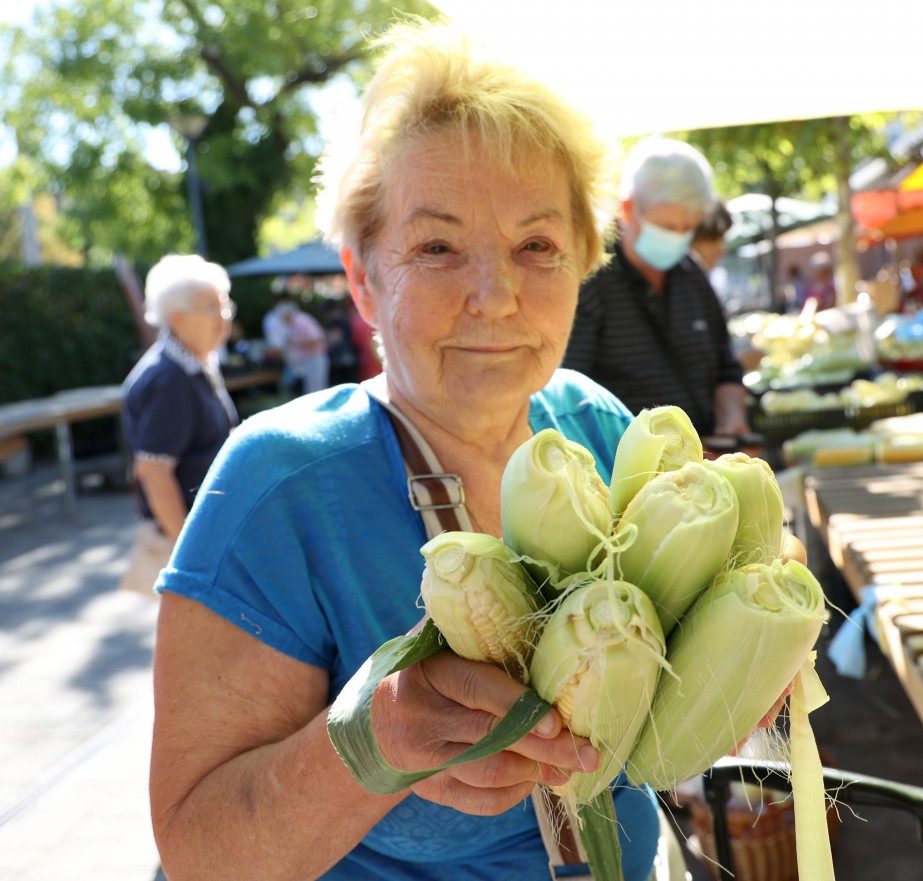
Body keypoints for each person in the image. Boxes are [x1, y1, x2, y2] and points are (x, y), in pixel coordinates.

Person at [147, 23, 794, 881]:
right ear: (363, 277)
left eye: (536, 246)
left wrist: (748, 650)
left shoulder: (598, 429)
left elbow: (672, 718)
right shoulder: (279, 486)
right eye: (438, 247)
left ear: (583, 263)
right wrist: (373, 742)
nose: (495, 298)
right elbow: (197, 851)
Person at [562, 138, 749, 438]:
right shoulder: (588, 279)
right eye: (667, 226)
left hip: (704, 462)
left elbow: (727, 368)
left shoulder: (692, 274)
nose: (679, 237)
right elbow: (567, 395)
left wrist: (731, 421)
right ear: (628, 209)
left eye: (689, 228)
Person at [119, 254, 239, 597]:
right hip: (191, 546)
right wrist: (189, 559)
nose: (223, 318)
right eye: (211, 309)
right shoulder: (169, 379)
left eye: (225, 306)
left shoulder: (195, 363)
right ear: (177, 319)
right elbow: (154, 474)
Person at [280, 300, 331, 394]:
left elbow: (318, 339)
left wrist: (295, 343)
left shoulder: (301, 321)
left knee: (318, 390)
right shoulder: (296, 322)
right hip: (310, 358)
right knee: (313, 390)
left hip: (315, 357)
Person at [323, 297, 360, 386]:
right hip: (348, 358)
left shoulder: (337, 321)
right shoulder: (344, 318)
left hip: (342, 360)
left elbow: (335, 339)